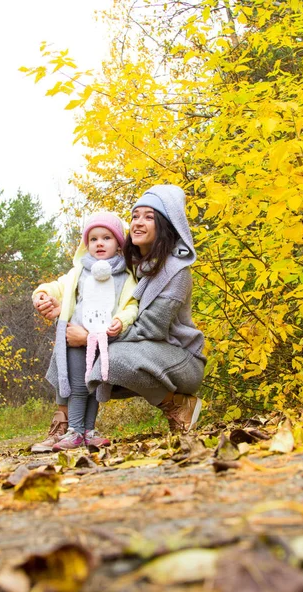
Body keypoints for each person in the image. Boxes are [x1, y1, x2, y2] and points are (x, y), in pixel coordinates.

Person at [70, 184, 206, 433]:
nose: (138, 223)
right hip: (146, 353)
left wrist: (90, 338)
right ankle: (69, 425)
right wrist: (55, 302)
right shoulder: (130, 268)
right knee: (70, 341)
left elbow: (151, 328)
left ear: (165, 225)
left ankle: (178, 404)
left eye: (149, 217)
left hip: (182, 360)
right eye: (135, 216)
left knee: (112, 359)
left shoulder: (176, 272)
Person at [31, 212, 138, 451]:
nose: (99, 243)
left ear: (119, 243)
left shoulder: (125, 275)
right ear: (86, 244)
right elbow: (56, 287)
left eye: (107, 237)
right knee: (79, 387)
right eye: (93, 239)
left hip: (103, 340)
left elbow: (131, 305)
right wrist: (41, 294)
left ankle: (89, 431)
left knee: (94, 387)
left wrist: (121, 320)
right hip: (75, 338)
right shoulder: (79, 272)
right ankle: (74, 430)